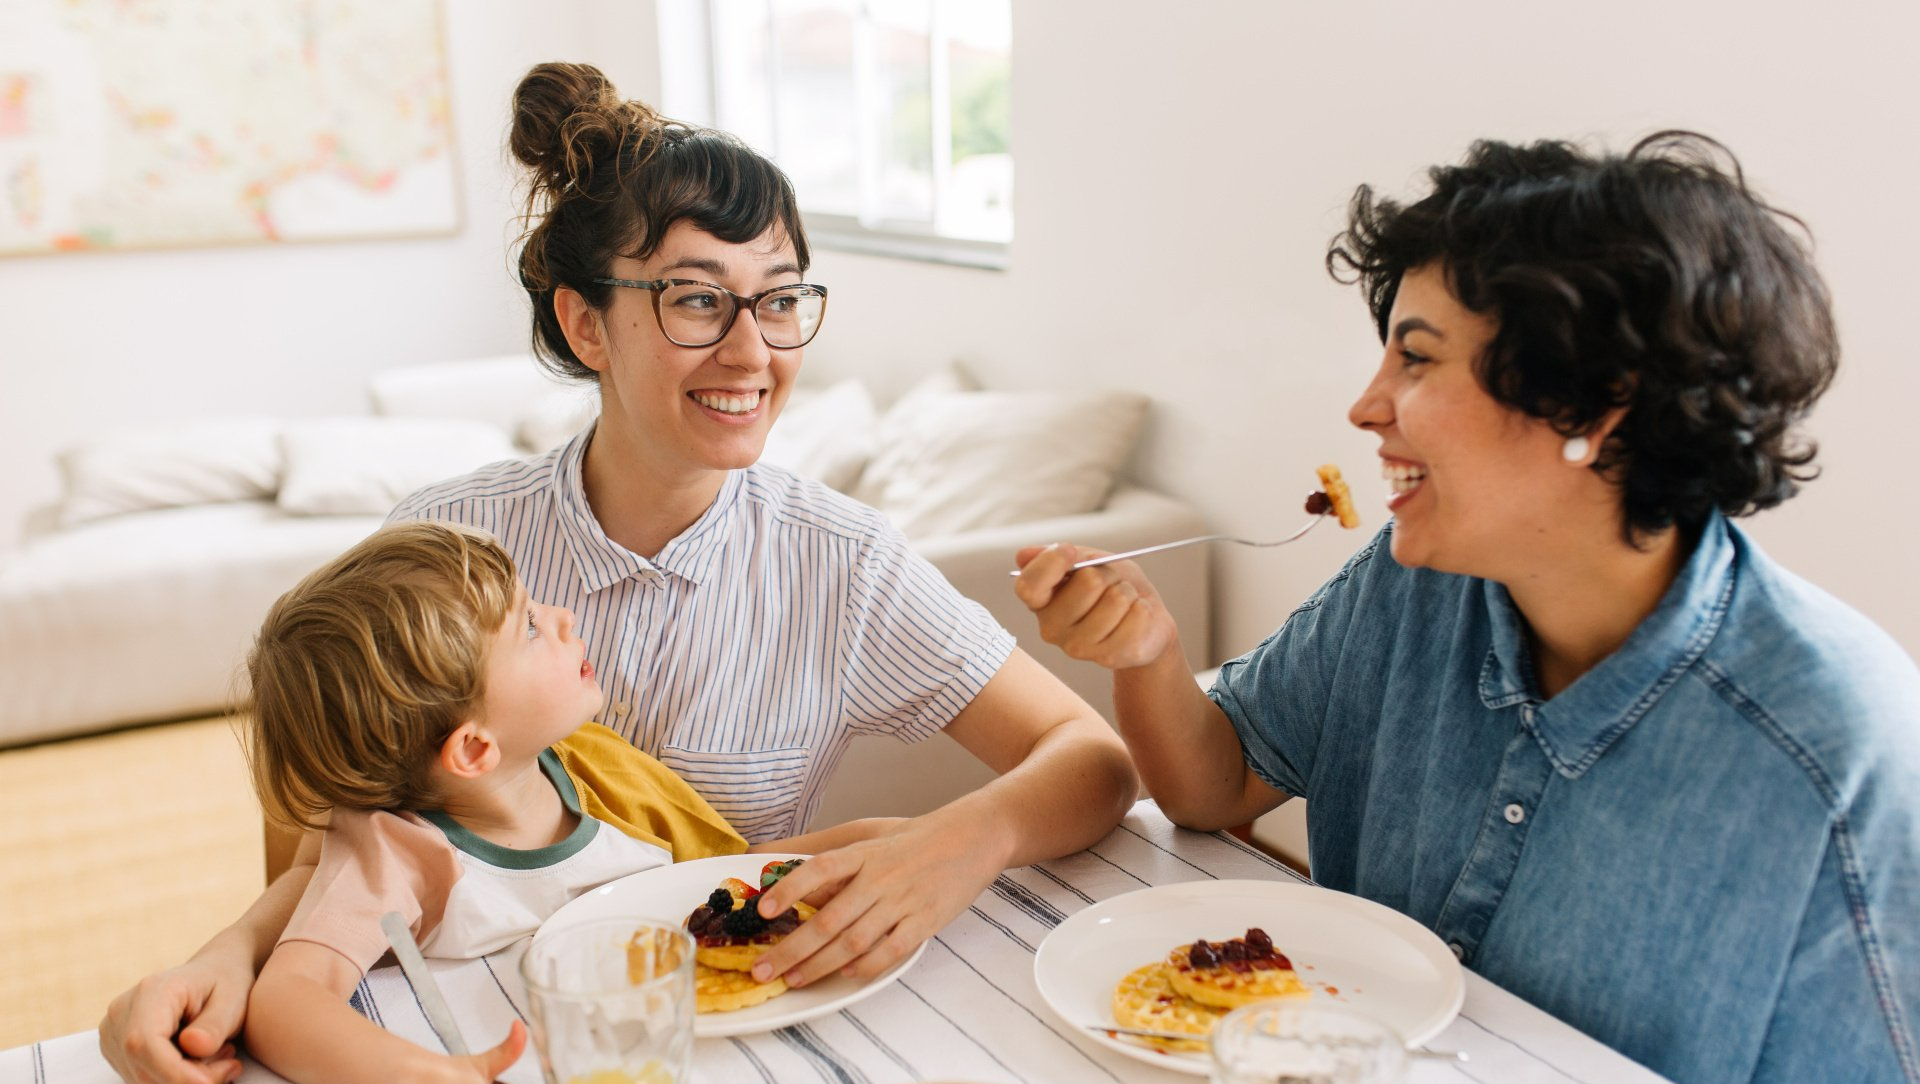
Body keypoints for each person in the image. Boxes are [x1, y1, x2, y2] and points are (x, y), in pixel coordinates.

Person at [99, 62, 1136, 1084]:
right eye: (696, 302)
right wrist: (228, 956)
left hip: (723, 1032)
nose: (751, 352)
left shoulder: (844, 563)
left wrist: (965, 840)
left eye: (779, 301)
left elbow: (1089, 759)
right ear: (583, 322)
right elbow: (323, 826)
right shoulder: (451, 541)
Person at [1016, 132, 1920, 1084]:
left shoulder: (1837, 753)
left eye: (1417, 359)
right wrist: (1148, 652)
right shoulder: (1411, 583)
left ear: (1597, 404)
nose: (1366, 407)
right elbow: (1214, 786)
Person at [238, 521, 896, 1084]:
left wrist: (881, 839)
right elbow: (284, 1002)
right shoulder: (394, 852)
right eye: (528, 627)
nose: (564, 617)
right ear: (472, 751)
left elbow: (727, 876)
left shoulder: (595, 768)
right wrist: (417, 1072)